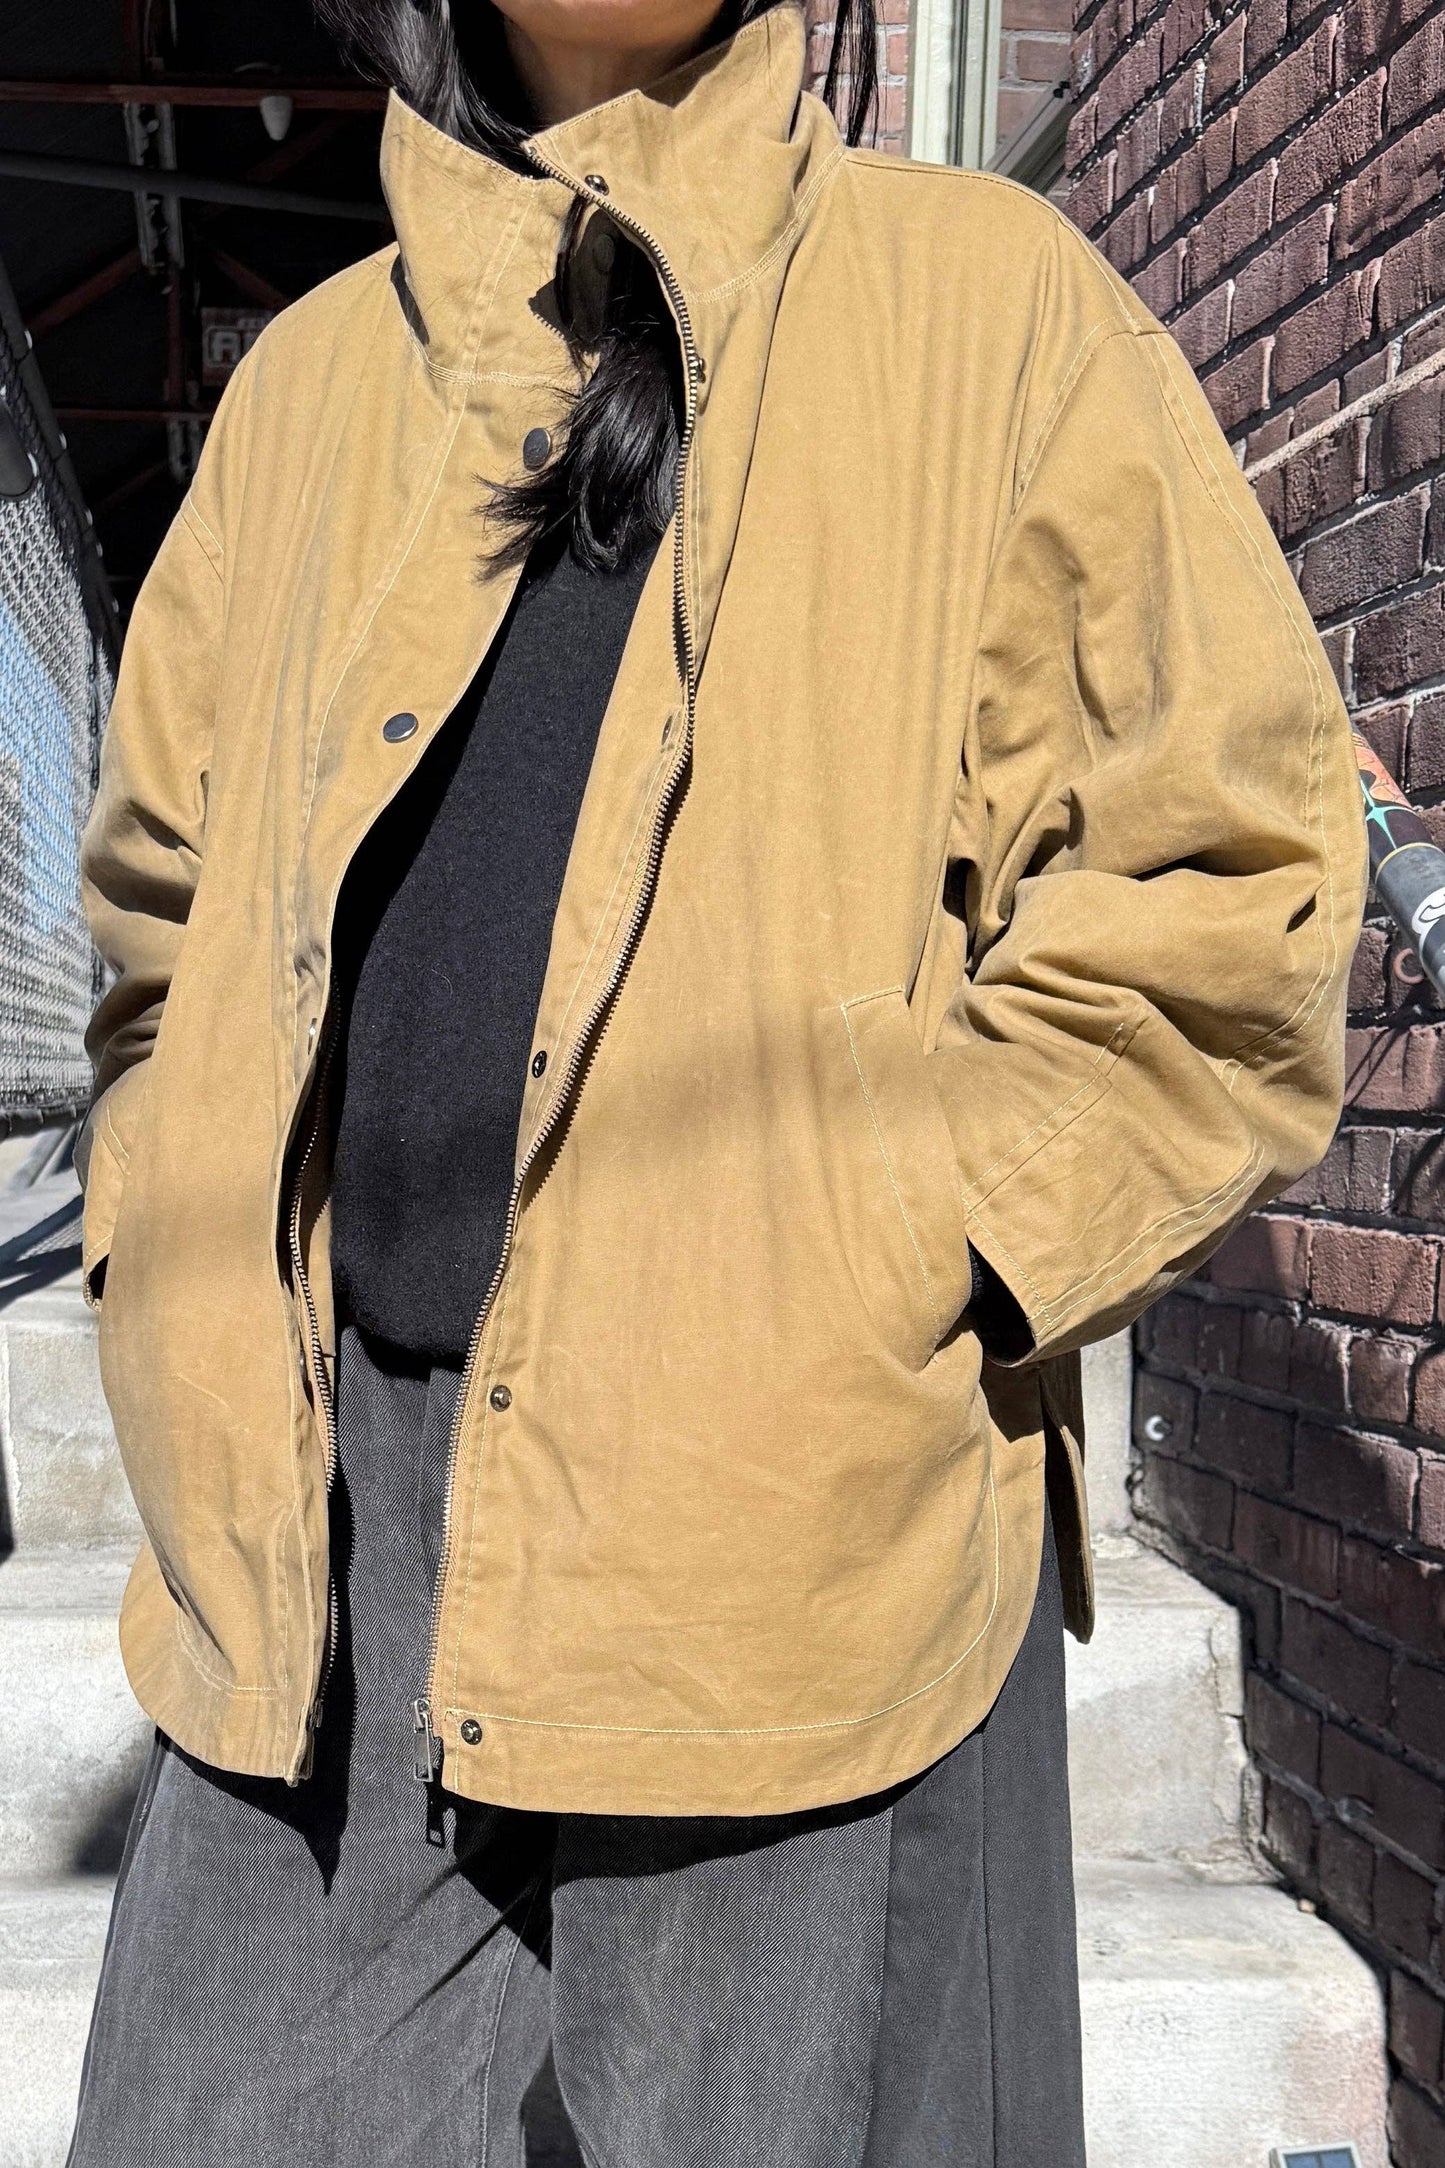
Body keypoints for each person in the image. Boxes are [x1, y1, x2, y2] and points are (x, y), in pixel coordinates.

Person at [66, 0, 1366, 2159]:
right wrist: (165, 1249)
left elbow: (1221, 883)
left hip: (791, 1528)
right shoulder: (306, 392)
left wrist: (900, 1261)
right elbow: (157, 919)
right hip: (316, 1563)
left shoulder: (988, 310)